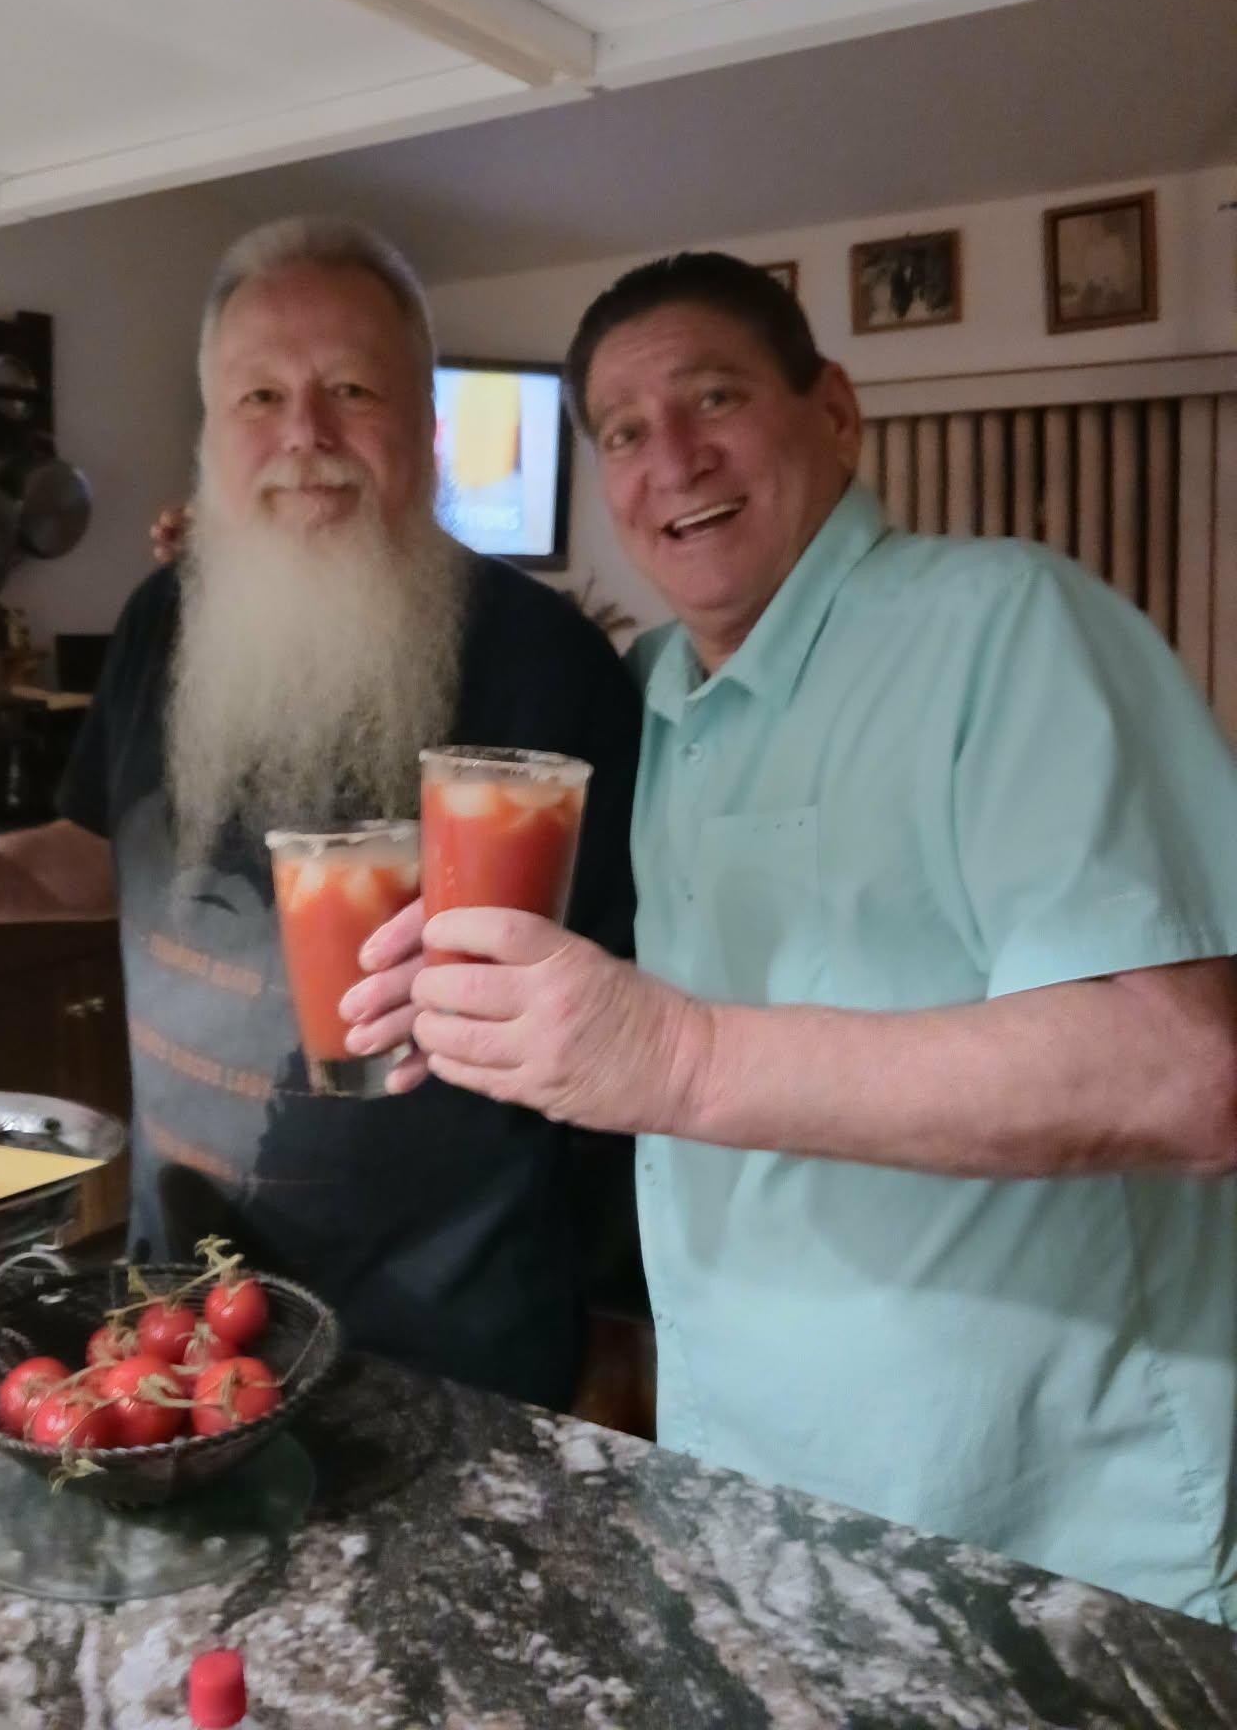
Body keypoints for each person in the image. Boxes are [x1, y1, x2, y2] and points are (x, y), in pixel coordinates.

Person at [345, 250, 1237, 1619]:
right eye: (626, 434)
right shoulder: (638, 697)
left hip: (1043, 1516)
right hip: (749, 1484)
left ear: (834, 411)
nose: (674, 459)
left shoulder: (1005, 624)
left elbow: (1186, 1076)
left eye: (717, 398)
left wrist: (680, 1057)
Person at [0, 217, 640, 1409]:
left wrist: (619, 1319)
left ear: (426, 426)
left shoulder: (551, 661)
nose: (306, 434)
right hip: (176, 1324)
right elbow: (104, 845)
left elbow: (621, 1001)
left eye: (350, 388)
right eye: (260, 395)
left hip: (457, 1344)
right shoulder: (158, 625)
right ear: (211, 434)